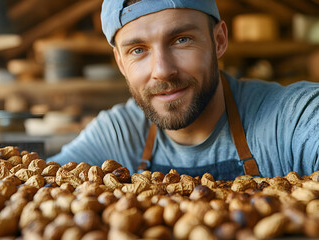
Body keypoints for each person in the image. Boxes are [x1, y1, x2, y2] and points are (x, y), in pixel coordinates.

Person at [47, 0, 319, 180]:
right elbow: (36, 188)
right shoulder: (119, 134)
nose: (162, 70)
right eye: (138, 50)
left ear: (219, 41)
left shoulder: (292, 117)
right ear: (120, 62)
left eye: (181, 40)